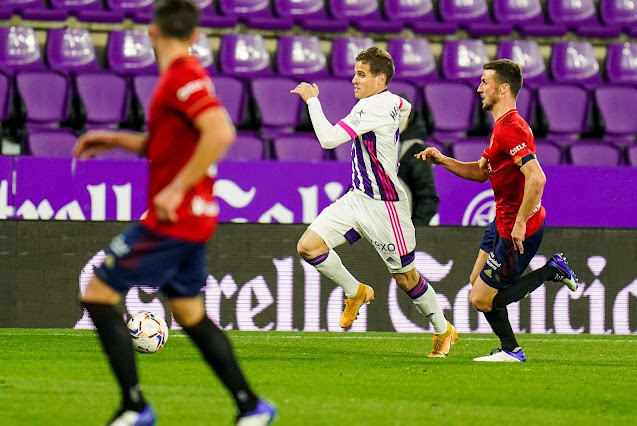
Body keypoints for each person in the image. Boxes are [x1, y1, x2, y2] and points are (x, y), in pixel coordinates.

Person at [74, 1, 275, 424]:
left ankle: (134, 407)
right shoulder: (179, 79)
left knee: (97, 293)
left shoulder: (183, 75)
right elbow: (164, 145)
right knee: (189, 314)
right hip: (194, 220)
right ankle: (251, 407)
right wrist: (113, 139)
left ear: (152, 32)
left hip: (174, 219)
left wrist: (176, 189)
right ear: (196, 35)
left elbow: (220, 131)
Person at [290, 46, 457, 358]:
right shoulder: (392, 101)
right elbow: (405, 109)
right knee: (309, 246)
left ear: (381, 79)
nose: (354, 80)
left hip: (386, 206)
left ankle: (443, 329)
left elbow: (327, 140)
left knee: (406, 278)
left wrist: (312, 100)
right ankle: (356, 292)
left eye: (361, 75)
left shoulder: (373, 109)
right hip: (357, 197)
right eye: (355, 72)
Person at [415, 59, 578, 362]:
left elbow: (537, 177)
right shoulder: (502, 128)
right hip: (501, 222)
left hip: (518, 230)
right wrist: (442, 160)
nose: (479, 88)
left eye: (485, 83)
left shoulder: (512, 130)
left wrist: (518, 224)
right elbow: (480, 172)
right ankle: (510, 349)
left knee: (480, 298)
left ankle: (551, 272)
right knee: (475, 281)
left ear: (503, 89)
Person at [396, 97, 439, 225]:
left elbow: (428, 200)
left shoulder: (417, 151)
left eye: (402, 116)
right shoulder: (372, 147)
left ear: (410, 119)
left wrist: (413, 232)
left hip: (402, 232)